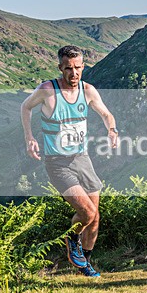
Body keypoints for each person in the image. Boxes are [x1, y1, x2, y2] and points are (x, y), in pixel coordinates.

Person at [21, 45, 119, 277]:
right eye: (68, 68)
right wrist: (29, 137)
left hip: (82, 159)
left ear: (83, 67)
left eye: (77, 68)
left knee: (96, 216)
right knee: (86, 213)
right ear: (60, 68)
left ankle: (85, 264)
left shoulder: (88, 91)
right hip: (58, 163)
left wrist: (112, 130)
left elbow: (106, 114)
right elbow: (26, 107)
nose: (73, 74)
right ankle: (72, 237)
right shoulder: (47, 90)